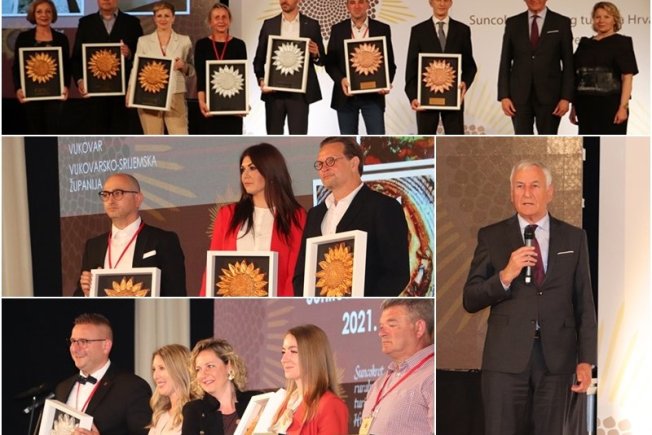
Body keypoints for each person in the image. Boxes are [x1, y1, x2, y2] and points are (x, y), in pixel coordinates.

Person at [463, 160, 597, 434]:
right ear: (511, 193)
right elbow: (470, 298)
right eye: (520, 186)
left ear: (550, 192)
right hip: (505, 360)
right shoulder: (492, 236)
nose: (526, 193)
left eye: (535, 186)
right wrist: (505, 275)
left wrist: (586, 360)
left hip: (557, 360)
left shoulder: (574, 238)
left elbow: (584, 303)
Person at [293, 137, 410, 296]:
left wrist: (359, 303)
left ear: (354, 163)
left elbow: (396, 273)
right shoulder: (315, 214)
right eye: (319, 164)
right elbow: (302, 274)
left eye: (331, 161)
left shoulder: (384, 207)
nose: (324, 168)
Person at [200, 143, 306, 297]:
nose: (245, 175)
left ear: (270, 170)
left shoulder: (296, 216)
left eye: (252, 168)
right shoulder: (227, 214)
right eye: (242, 169)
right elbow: (212, 269)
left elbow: (293, 274)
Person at [75, 173, 187, 296]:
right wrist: (86, 293)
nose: (110, 200)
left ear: (137, 199)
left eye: (118, 193)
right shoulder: (94, 246)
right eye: (105, 195)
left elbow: (176, 295)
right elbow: (78, 296)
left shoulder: (164, 240)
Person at [54, 313, 152, 435]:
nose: (74, 349)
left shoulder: (131, 387)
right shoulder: (62, 388)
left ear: (106, 346)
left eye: (83, 341)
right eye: (73, 341)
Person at [497, 0, 574, 134]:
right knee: (523, 142)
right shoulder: (513, 23)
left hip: (551, 96)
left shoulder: (561, 22)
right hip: (519, 96)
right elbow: (505, 61)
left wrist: (566, 98)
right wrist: (504, 95)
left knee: (547, 141)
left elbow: (568, 64)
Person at [360, 299, 434, 435]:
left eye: (391, 325)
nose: (381, 333)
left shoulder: (432, 377)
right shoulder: (380, 383)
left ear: (419, 328)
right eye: (381, 326)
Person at [405, 0, 477, 134]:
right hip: (425, 99)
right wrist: (413, 96)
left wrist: (464, 83)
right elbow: (411, 67)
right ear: (430, 2)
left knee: (455, 142)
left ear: (451, 3)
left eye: (446, 0)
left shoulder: (462, 30)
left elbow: (470, 67)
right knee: (426, 139)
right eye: (438, 0)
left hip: (453, 97)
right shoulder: (418, 30)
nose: (442, 4)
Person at [253, 0, 325, 134]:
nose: (284, 1)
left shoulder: (311, 25)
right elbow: (259, 59)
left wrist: (316, 54)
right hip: (274, 93)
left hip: (300, 94)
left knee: (299, 136)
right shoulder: (269, 24)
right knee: (273, 136)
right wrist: (261, 80)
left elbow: (322, 60)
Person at [71, 0, 143, 134]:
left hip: (123, 94)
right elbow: (76, 57)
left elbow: (142, 55)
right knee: (97, 134)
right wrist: (80, 81)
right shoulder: (86, 23)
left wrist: (129, 52)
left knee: (122, 135)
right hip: (94, 94)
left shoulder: (132, 22)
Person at [325, 0, 396, 134]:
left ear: (368, 4)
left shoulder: (382, 28)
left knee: (377, 138)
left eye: (361, 2)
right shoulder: (337, 29)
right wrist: (341, 80)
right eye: (352, 2)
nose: (357, 6)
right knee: (348, 141)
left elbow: (390, 63)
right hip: (345, 97)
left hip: (374, 96)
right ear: (347, 6)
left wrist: (386, 82)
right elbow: (330, 63)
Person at [569, 1, 638, 135]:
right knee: (588, 144)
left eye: (606, 16)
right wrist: (574, 106)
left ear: (614, 20)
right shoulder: (585, 44)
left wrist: (623, 107)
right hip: (585, 105)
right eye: (598, 17)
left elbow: (627, 77)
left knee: (612, 144)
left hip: (611, 105)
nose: (601, 20)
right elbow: (577, 77)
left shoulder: (622, 43)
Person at [127, 1, 194, 135]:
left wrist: (183, 66)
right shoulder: (143, 41)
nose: (163, 19)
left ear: (173, 18)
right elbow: (136, 69)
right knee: (153, 138)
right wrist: (130, 91)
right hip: (148, 95)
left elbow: (191, 69)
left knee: (180, 137)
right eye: (159, 16)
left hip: (175, 94)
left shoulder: (184, 41)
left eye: (167, 16)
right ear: (154, 18)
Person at [269, 324, 348, 434]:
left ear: (313, 355)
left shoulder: (329, 405)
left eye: (293, 351)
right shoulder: (287, 405)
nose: (284, 359)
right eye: (283, 352)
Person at [11, 0, 70, 134]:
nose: (44, 15)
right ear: (33, 14)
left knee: (53, 129)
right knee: (35, 130)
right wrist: (18, 88)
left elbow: (66, 66)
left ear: (53, 14)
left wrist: (66, 86)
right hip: (31, 93)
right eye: (39, 12)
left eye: (48, 11)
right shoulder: (23, 38)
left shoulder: (61, 38)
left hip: (55, 94)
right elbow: (17, 67)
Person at [182, 338, 260, 435]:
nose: (203, 374)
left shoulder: (256, 402)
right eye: (198, 369)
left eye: (210, 366)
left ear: (229, 366)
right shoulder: (194, 410)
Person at [194, 3, 248, 134]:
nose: (221, 21)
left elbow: (242, 78)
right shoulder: (202, 45)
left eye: (224, 17)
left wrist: (243, 103)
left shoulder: (239, 45)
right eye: (216, 17)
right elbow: (201, 77)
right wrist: (201, 101)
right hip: (210, 106)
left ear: (229, 21)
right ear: (210, 22)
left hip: (233, 108)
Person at [148, 344, 194, 435]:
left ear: (179, 370)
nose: (155, 376)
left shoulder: (195, 413)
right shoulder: (161, 416)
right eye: (154, 369)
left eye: (162, 368)